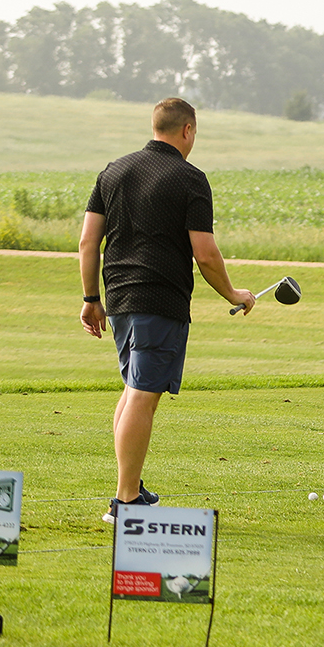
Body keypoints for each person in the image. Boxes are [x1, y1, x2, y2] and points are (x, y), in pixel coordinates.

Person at [79, 98, 256, 522]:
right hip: (159, 301)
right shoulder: (190, 178)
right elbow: (205, 253)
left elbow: (88, 242)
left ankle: (131, 487)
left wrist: (90, 299)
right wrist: (234, 294)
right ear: (187, 130)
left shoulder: (113, 171)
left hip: (118, 299)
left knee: (133, 390)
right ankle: (124, 502)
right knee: (143, 395)